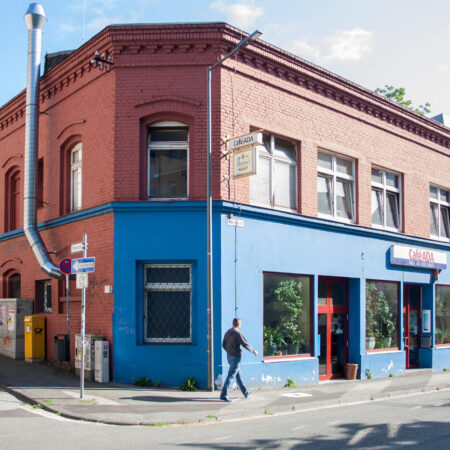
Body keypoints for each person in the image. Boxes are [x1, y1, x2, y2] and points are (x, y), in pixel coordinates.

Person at [220, 317, 258, 402]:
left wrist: (229, 351)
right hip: (236, 357)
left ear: (233, 323)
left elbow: (223, 344)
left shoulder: (227, 332)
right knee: (231, 376)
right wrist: (253, 351)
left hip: (229, 357)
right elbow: (245, 344)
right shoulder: (237, 333)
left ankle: (246, 392)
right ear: (239, 325)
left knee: (238, 376)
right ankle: (223, 394)